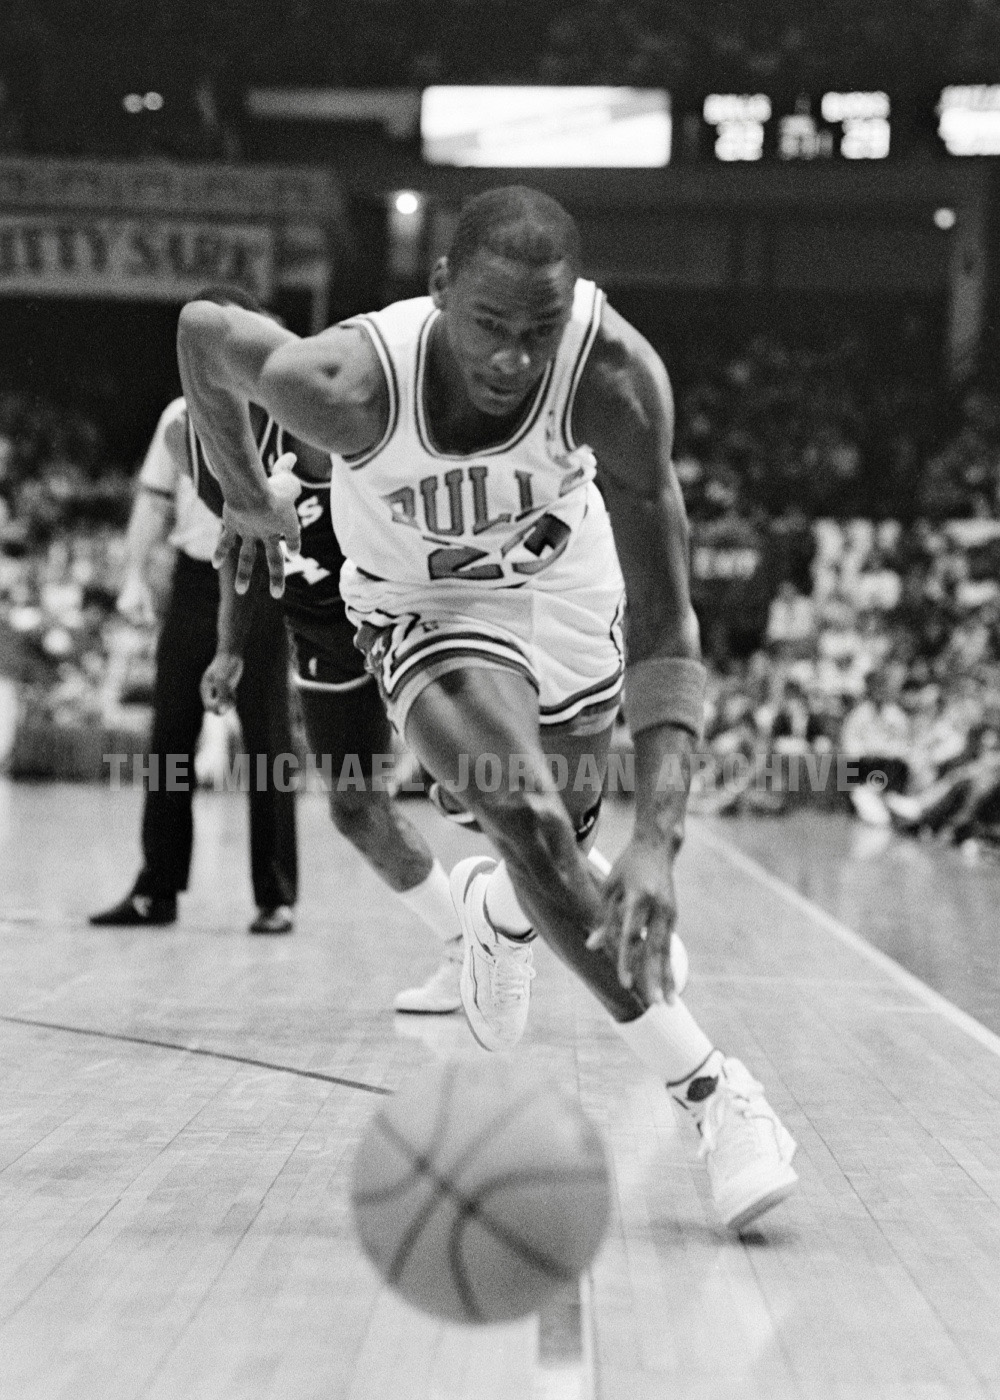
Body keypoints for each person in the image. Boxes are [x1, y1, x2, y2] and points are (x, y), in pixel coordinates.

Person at [177, 186, 798, 1231]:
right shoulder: (347, 384)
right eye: (489, 326)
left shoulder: (613, 379)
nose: (514, 357)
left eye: (537, 332)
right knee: (531, 821)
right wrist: (243, 488)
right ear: (439, 292)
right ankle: (714, 1093)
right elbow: (204, 332)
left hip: (563, 576)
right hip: (426, 601)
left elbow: (668, 628)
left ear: (573, 311)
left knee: (576, 829)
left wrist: (657, 841)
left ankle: (500, 919)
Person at [90, 332, 298, 933]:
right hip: (194, 577)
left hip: (264, 579)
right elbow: (153, 502)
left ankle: (276, 893)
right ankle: (156, 888)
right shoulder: (179, 418)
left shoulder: (282, 416)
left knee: (268, 739)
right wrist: (133, 574)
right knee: (170, 735)